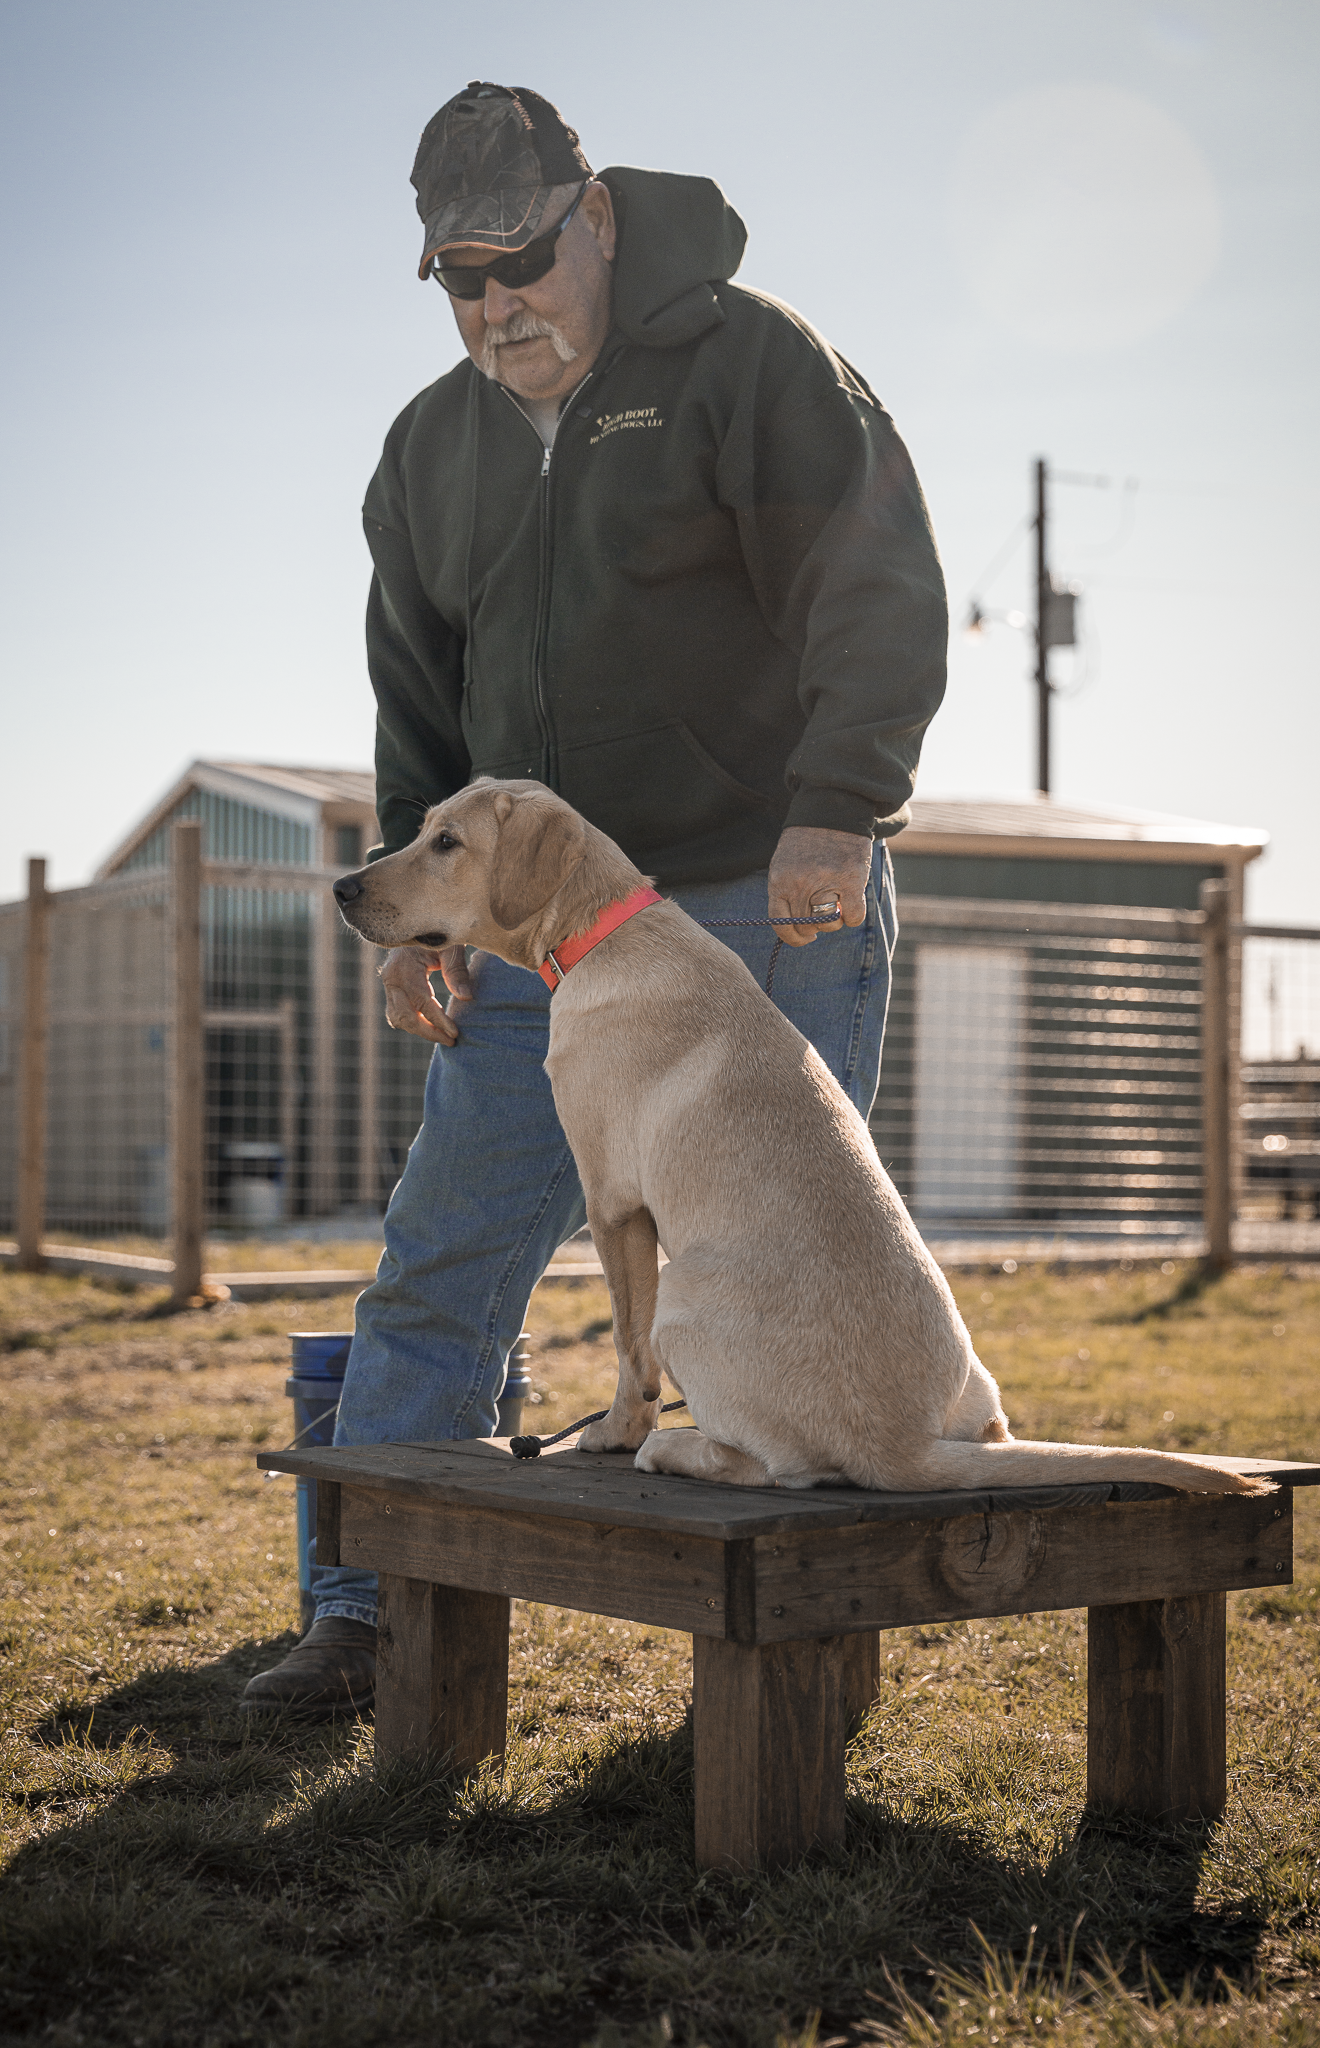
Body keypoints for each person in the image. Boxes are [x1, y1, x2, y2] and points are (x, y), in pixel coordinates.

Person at [242, 82, 948, 1714]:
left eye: (521, 261)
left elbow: (877, 579)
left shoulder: (756, 362)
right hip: (529, 933)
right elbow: (416, 703)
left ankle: (799, 1652)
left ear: (598, 216)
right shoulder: (430, 448)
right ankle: (366, 1612)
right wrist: (423, 917)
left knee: (790, 1256)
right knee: (440, 1254)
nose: (497, 306)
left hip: (758, 897)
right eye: (458, 280)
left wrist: (839, 808)